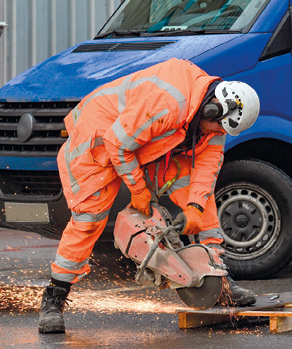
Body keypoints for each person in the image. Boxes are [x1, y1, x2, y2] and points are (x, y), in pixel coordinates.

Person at [38, 58, 260, 334]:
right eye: (218, 128)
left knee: (204, 205)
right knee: (88, 220)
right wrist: (139, 191)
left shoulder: (216, 116)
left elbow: (207, 167)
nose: (218, 134)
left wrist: (194, 208)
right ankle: (54, 298)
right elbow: (117, 144)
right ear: (212, 108)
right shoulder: (167, 101)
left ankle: (218, 279)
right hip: (97, 140)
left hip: (151, 145)